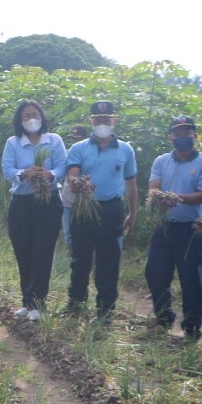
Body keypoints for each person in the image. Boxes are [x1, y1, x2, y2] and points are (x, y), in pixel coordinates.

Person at [144, 115, 202, 339]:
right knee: (154, 272)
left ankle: (192, 325)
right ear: (171, 137)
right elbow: (154, 189)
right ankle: (164, 316)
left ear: (195, 136)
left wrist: (176, 198)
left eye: (187, 133)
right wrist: (158, 196)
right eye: (178, 133)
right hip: (165, 226)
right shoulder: (161, 161)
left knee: (192, 279)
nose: (183, 137)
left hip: (193, 229)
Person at [64, 100, 138, 319]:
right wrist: (76, 182)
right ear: (91, 121)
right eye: (98, 120)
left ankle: (105, 310)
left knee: (109, 260)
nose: (102, 124)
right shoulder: (78, 148)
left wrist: (132, 214)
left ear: (114, 121)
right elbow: (72, 173)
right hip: (84, 207)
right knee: (80, 259)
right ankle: (75, 304)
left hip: (112, 209)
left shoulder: (125, 149)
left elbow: (131, 183)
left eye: (106, 120)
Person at [1, 99, 67, 321]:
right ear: (20, 120)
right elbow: (7, 169)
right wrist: (24, 173)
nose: (31, 119)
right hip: (22, 203)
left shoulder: (54, 140)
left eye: (35, 115)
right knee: (23, 250)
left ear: (42, 117)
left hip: (48, 202)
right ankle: (26, 301)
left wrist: (49, 174)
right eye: (26, 116)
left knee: (42, 251)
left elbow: (62, 167)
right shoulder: (13, 143)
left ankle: (38, 303)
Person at [62, 124, 90, 249]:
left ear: (84, 137)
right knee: (68, 232)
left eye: (77, 137)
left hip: (86, 198)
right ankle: (71, 253)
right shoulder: (66, 153)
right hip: (68, 198)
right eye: (72, 137)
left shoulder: (90, 154)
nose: (74, 140)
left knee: (84, 231)